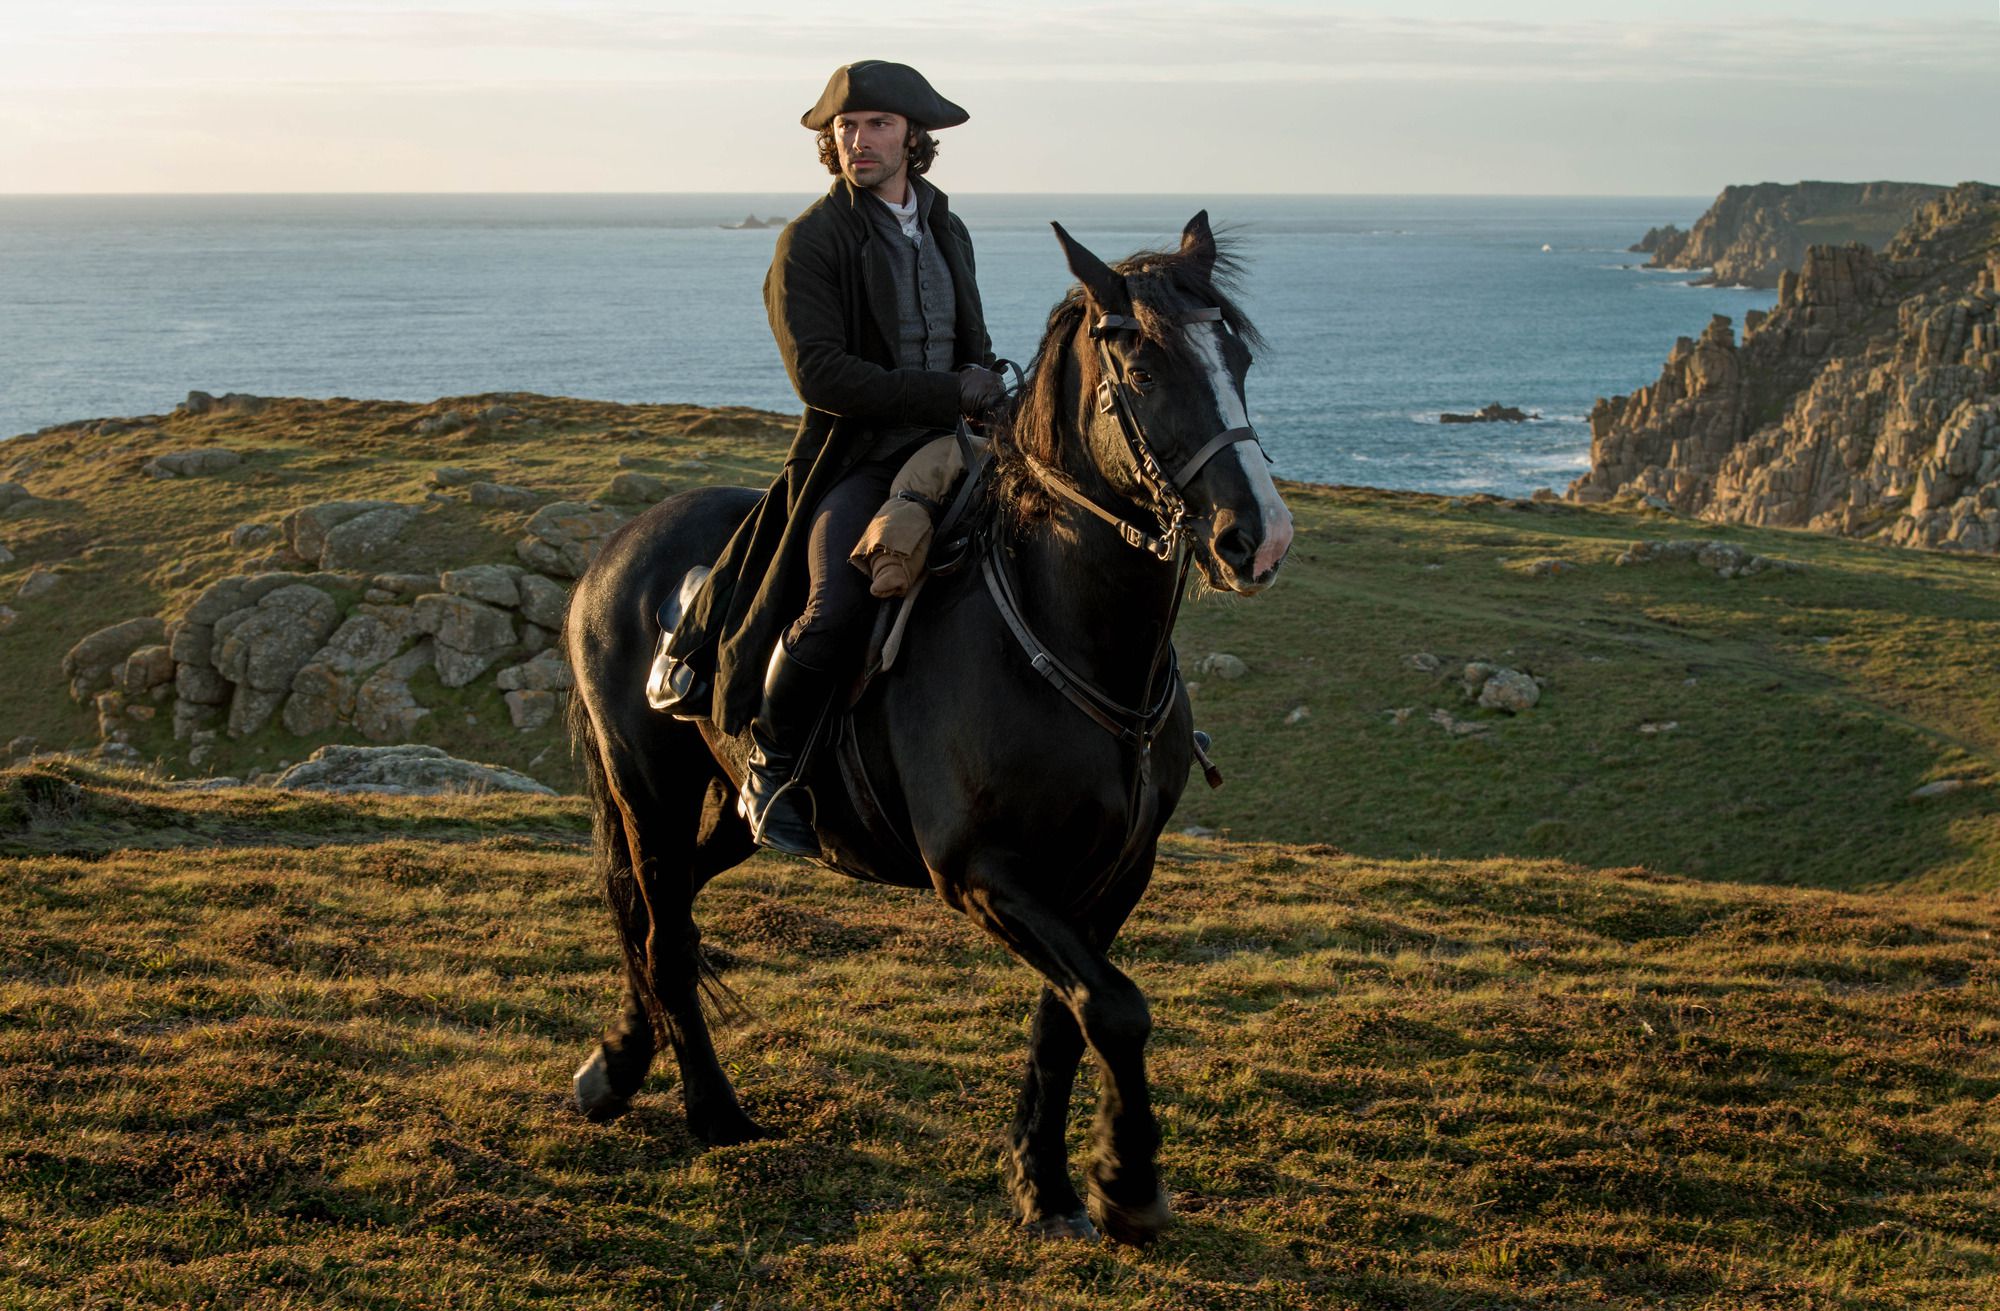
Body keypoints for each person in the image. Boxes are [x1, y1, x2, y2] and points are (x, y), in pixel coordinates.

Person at [647, 60, 1005, 855]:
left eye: (877, 124)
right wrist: (951, 390)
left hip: (959, 451)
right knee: (834, 604)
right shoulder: (811, 240)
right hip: (856, 458)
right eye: (844, 127)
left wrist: (985, 397)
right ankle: (769, 770)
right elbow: (822, 375)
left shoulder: (948, 227)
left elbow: (972, 347)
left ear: (915, 136)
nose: (857, 140)